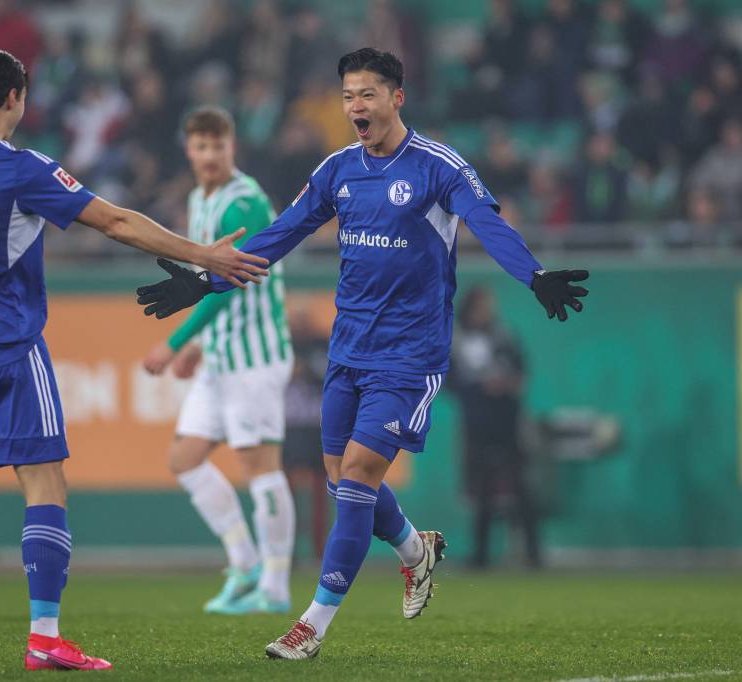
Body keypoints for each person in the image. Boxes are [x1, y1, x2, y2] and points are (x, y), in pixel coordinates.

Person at [135, 47, 589, 660]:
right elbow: (282, 234)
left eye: (368, 94)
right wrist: (205, 278)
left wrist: (533, 276)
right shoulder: (339, 169)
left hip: (410, 354)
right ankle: (414, 550)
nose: (356, 106)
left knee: (354, 479)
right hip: (349, 350)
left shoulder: (437, 166)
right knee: (342, 478)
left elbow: (486, 220)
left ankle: (312, 625)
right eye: (349, 95)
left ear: (396, 98)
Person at [0, 48, 267, 671]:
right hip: (6, 346)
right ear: (14, 98)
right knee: (44, 482)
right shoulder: (21, 167)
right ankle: (43, 637)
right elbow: (112, 220)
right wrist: (203, 256)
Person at [141, 107, 295, 615]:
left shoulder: (244, 202)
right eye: (201, 147)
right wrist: (198, 348)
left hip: (255, 356)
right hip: (222, 355)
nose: (209, 156)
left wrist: (174, 343)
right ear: (189, 150)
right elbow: (204, 282)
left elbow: (227, 289)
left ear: (232, 147)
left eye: (218, 146)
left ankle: (275, 587)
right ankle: (245, 563)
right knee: (183, 460)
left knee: (260, 468)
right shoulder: (197, 198)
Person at [450, 286, 540, 568]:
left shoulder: (504, 335)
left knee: (520, 487)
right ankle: (480, 555)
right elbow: (448, 380)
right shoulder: (457, 339)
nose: (488, 310)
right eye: (483, 305)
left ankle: (533, 553)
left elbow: (522, 370)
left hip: (506, 419)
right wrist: (478, 388)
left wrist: (508, 383)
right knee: (481, 490)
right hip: (477, 419)